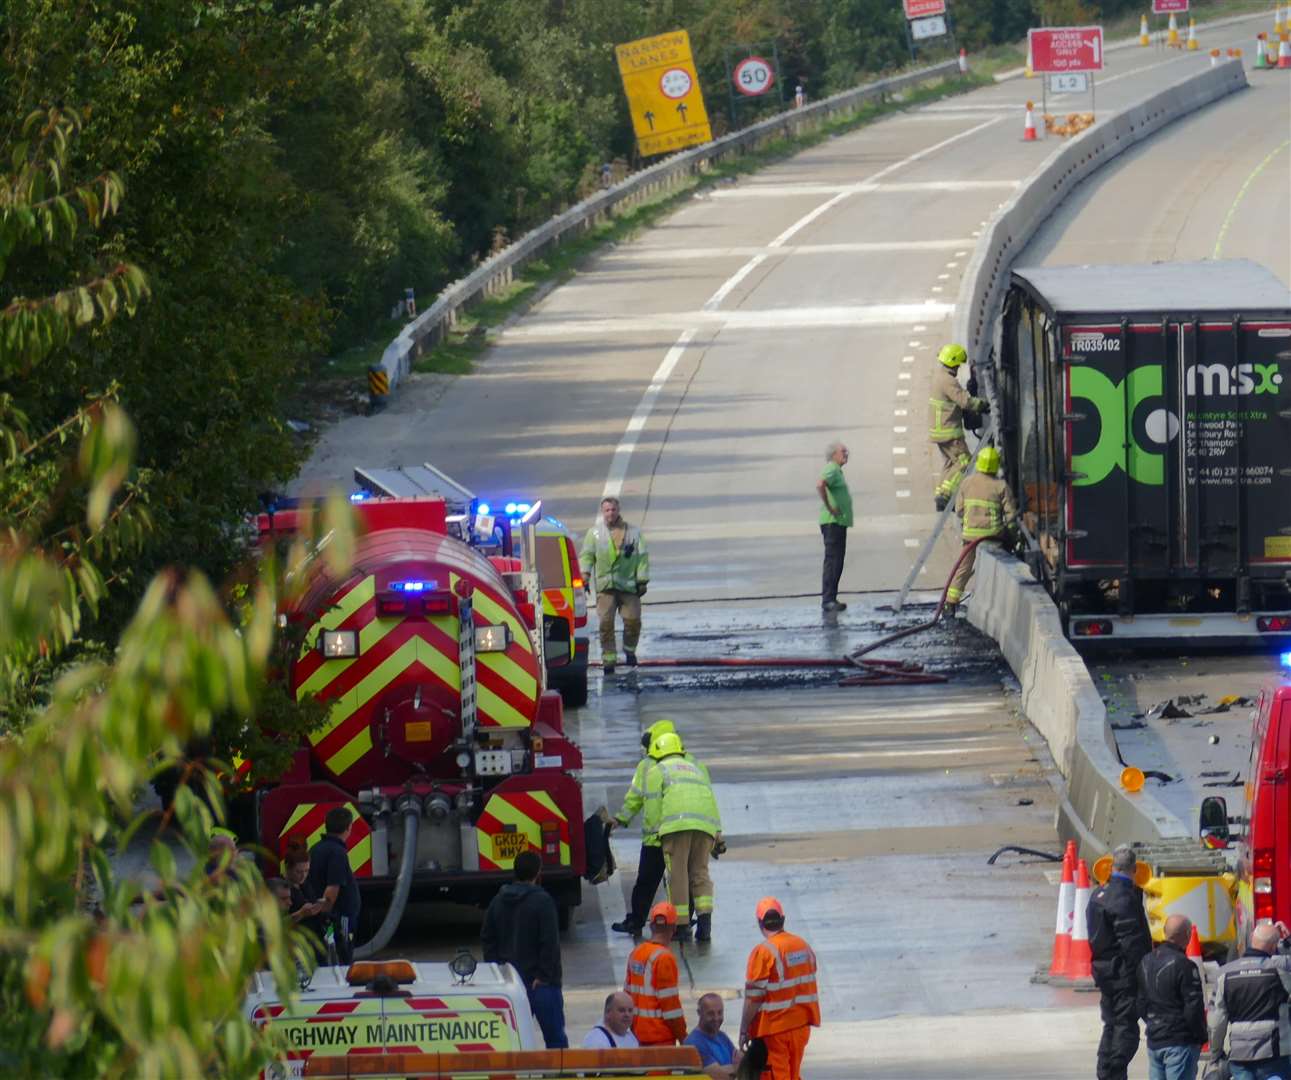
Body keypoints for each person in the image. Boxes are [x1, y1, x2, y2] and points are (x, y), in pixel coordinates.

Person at [481, 850, 568, 1049]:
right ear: (538, 872)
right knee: (556, 1042)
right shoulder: (543, 901)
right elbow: (550, 943)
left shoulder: (498, 901)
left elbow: (487, 938)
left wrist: (497, 970)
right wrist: (544, 976)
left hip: (510, 985)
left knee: (512, 1042)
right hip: (542, 985)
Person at [645, 731, 722, 943]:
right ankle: (705, 922)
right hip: (705, 826)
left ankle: (681, 926)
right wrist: (718, 832)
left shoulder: (657, 770)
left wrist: (654, 834)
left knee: (677, 874)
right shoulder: (695, 768)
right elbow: (710, 801)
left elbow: (653, 807)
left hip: (676, 827)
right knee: (700, 872)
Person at [1087, 845, 1153, 1080]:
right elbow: (1133, 945)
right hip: (1123, 975)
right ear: (1134, 869)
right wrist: (1145, 975)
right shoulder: (1125, 898)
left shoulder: (1098, 895)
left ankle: (1105, 1071)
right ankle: (1113, 1073)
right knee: (1125, 1029)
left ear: (1112, 867)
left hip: (1104, 972)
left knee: (1111, 1024)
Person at [611, 718, 681, 936]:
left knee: (645, 883)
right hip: (678, 835)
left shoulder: (646, 766)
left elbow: (635, 798)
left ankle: (636, 922)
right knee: (679, 882)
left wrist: (620, 819)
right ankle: (681, 925)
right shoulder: (683, 762)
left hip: (654, 839)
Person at [739, 897, 820, 1080]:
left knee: (778, 1075)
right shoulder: (803, 946)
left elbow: (754, 998)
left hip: (775, 1030)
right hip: (801, 1028)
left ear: (760, 923)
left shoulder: (763, 952)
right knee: (794, 1074)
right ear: (783, 919)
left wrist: (744, 1029)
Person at [1209, 920, 1291, 1079]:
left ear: (1252, 939)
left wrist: (1216, 1054)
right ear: (1274, 946)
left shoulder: (1224, 973)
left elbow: (1216, 1022)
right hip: (1274, 1054)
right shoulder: (1280, 967)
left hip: (1240, 1056)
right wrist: (1288, 941)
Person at [579, 496, 649, 676]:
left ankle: (630, 651)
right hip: (605, 587)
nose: (610, 513)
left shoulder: (634, 533)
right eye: (607, 510)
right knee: (605, 624)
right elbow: (587, 556)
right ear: (603, 512)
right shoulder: (594, 534)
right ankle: (608, 660)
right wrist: (584, 576)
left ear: (618, 511)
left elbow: (642, 558)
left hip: (628, 586)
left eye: (613, 509)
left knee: (633, 621)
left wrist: (642, 580)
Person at [946, 445, 1017, 611]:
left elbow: (959, 510)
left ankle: (950, 603)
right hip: (993, 536)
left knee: (963, 568)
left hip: (970, 536)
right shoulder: (1001, 486)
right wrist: (1012, 536)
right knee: (999, 567)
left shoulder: (966, 483)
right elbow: (1011, 516)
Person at [1139, 914, 1207, 1080]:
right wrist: (1201, 1036)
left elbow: (1140, 1002)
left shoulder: (1146, 961)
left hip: (1155, 1039)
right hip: (1179, 1041)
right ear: (1187, 935)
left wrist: (1154, 1024)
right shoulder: (1185, 965)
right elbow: (1193, 1008)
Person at [929, 343, 988, 511]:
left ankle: (941, 493)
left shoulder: (939, 377)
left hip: (940, 431)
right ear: (953, 363)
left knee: (950, 463)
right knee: (964, 462)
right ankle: (945, 495)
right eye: (958, 364)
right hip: (949, 431)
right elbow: (964, 401)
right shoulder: (948, 381)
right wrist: (983, 405)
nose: (958, 368)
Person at [625, 902, 687, 1046]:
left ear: (651, 926)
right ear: (674, 928)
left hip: (636, 1036)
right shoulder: (664, 958)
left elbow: (626, 996)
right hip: (660, 1038)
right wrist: (683, 1037)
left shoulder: (636, 953)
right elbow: (671, 1008)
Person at [305, 807, 362, 965]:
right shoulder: (337, 852)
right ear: (348, 827)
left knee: (326, 952)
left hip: (327, 916)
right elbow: (332, 887)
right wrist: (327, 916)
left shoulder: (316, 848)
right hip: (339, 917)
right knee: (343, 952)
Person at [815, 441, 852, 613]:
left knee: (837, 561)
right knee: (832, 561)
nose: (846, 454)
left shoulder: (837, 470)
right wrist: (830, 507)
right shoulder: (831, 468)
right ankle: (828, 599)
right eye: (843, 451)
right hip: (832, 522)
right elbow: (820, 484)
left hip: (838, 522)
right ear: (833, 455)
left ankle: (832, 598)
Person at [685, 993, 742, 1078]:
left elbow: (744, 1063)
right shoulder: (693, 1043)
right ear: (699, 1013)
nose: (716, 1018)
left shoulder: (722, 1036)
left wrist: (732, 1069)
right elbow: (719, 1076)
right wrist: (737, 1067)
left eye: (720, 1012)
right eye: (710, 1013)